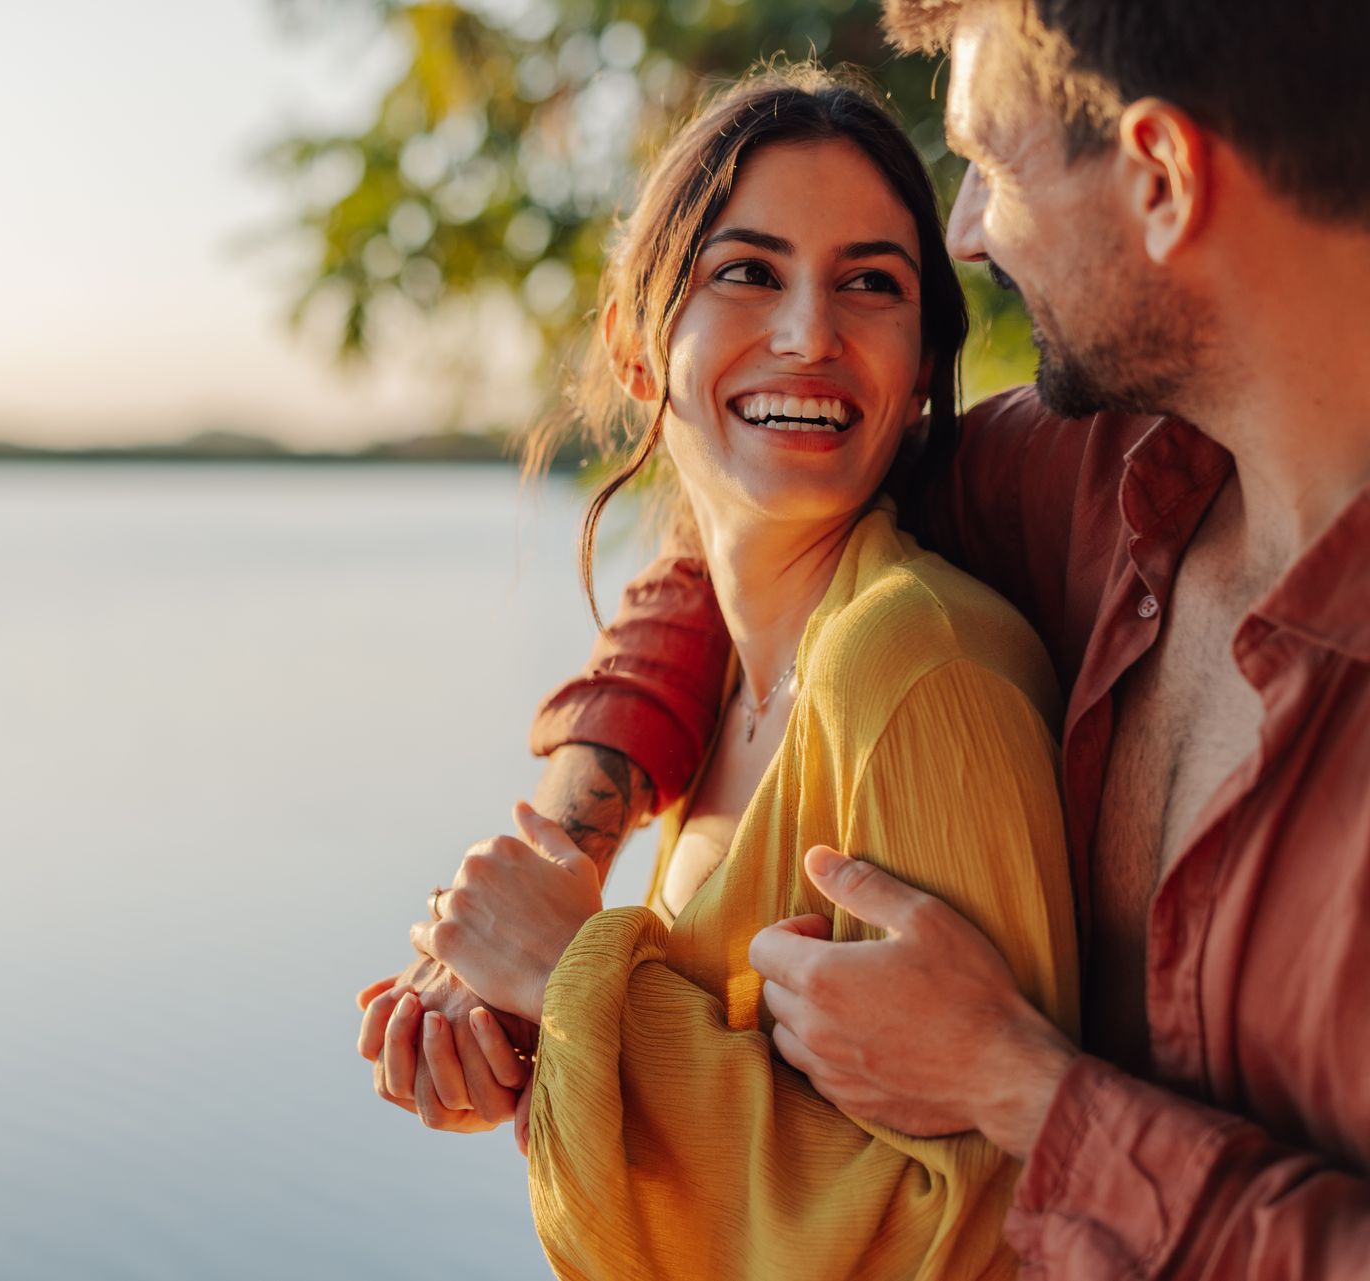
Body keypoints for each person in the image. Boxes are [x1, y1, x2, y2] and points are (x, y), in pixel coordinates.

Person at [373, 0, 1370, 1275]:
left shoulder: (933, 648)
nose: (966, 230)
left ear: (1163, 176)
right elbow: (749, 530)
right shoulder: (1074, 482)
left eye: (990, 166)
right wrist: (559, 891)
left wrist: (1022, 1089)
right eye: (747, 270)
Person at [364, 68, 1081, 1279]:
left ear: (919, 376)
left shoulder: (911, 668)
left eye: (871, 283)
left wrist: (566, 973)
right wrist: (543, 1053)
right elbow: (764, 1140)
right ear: (637, 353)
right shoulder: (729, 687)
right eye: (747, 272)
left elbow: (981, 1232)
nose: (810, 332)